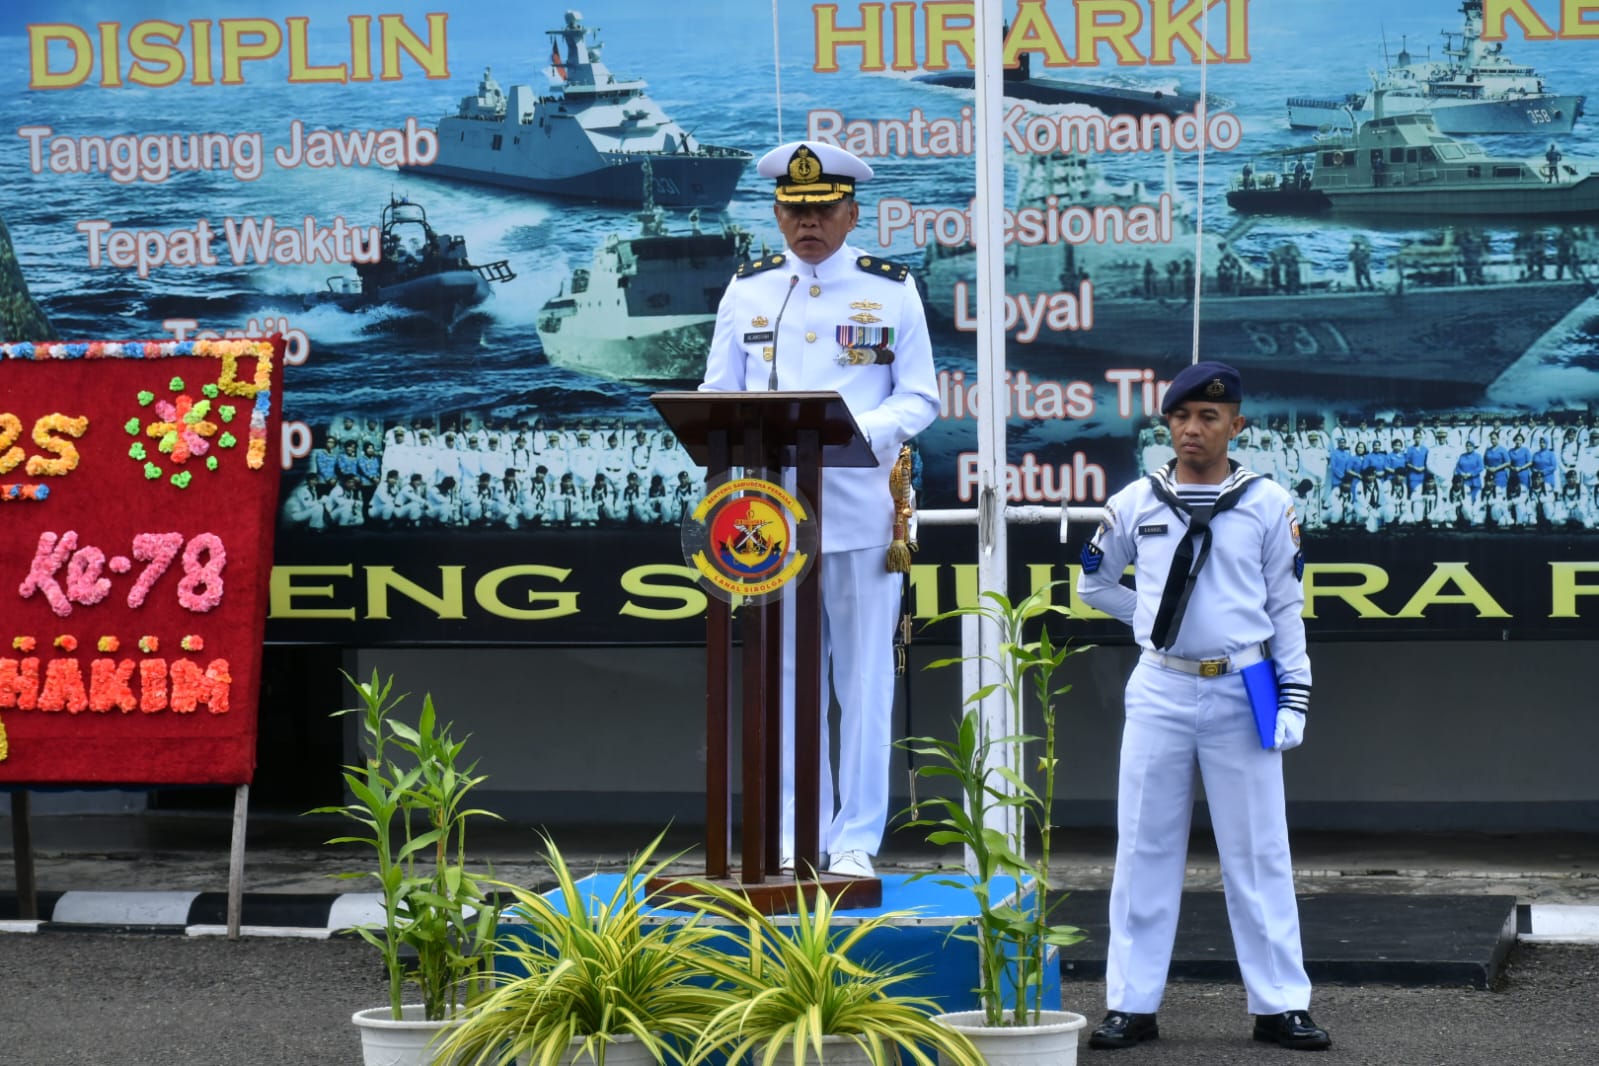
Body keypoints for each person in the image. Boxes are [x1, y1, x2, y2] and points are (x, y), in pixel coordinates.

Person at [699, 140, 938, 878]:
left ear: (850, 213)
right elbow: (714, 394)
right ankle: (790, 833)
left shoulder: (889, 290)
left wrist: (854, 433)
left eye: (823, 211)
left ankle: (855, 840)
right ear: (775, 213)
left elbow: (920, 397)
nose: (808, 224)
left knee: (862, 682)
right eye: (794, 211)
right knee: (783, 681)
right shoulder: (748, 290)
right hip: (769, 523)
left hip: (863, 514)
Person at [1078, 361, 1330, 1052]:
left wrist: (1294, 695)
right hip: (1160, 684)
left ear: (1236, 426)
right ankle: (1131, 1004)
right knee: (1143, 847)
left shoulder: (1266, 503)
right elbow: (1092, 583)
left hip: (1242, 684)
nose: (1193, 429)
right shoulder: (1134, 501)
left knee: (1258, 850)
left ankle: (1279, 1005)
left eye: (1209, 418)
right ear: (1167, 424)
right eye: (1182, 417)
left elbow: (1285, 607)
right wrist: (1151, 621)